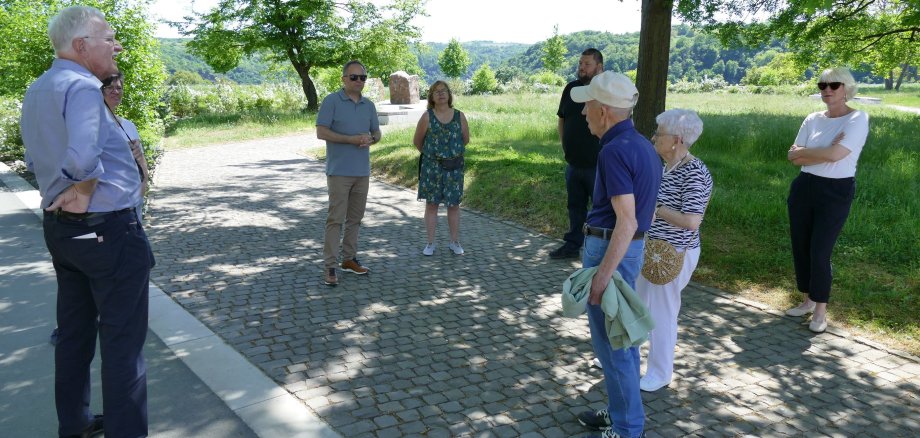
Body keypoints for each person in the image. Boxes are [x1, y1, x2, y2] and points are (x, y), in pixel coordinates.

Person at [20, 6, 154, 438]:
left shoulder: (39, 87)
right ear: (81, 46)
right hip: (107, 231)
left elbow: (35, 155)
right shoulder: (81, 86)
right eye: (109, 37)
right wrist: (76, 190)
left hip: (63, 233)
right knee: (123, 345)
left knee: (74, 334)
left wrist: (60, 194)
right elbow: (82, 159)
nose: (116, 45)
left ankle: (73, 424)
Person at [570, 72, 661, 438]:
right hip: (626, 250)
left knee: (614, 347)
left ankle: (627, 428)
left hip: (611, 249)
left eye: (587, 106)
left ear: (604, 112)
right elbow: (647, 217)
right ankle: (620, 413)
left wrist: (602, 276)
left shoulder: (613, 150)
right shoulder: (643, 147)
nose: (582, 114)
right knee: (618, 343)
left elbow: (628, 221)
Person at [784, 67, 869, 333]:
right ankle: (807, 300)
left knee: (820, 250)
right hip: (804, 186)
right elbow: (792, 157)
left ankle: (820, 309)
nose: (827, 90)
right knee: (801, 245)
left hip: (836, 190)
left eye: (834, 85)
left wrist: (807, 152)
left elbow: (835, 156)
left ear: (846, 89)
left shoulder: (857, 119)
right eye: (822, 85)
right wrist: (822, 151)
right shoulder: (812, 118)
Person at [636, 109, 713, 392]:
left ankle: (660, 372)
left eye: (659, 133)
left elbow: (692, 221)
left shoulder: (695, 172)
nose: (654, 137)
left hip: (673, 254)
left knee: (662, 313)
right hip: (650, 249)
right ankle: (625, 357)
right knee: (635, 303)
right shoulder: (664, 166)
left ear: (677, 139)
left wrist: (656, 210)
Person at [316, 60, 381, 286]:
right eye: (353, 77)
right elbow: (321, 132)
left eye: (362, 77)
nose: (358, 81)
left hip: (362, 172)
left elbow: (377, 132)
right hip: (339, 172)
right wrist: (350, 140)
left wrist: (371, 139)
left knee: (356, 219)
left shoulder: (369, 105)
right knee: (335, 220)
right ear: (344, 79)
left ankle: (349, 259)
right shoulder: (332, 101)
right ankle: (330, 266)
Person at [550, 48, 604, 259]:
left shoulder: (606, 91)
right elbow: (562, 118)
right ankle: (572, 246)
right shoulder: (571, 89)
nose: (581, 67)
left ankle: (599, 251)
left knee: (601, 210)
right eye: (580, 63)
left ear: (599, 67)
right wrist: (565, 145)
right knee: (575, 207)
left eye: (587, 64)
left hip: (598, 164)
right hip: (573, 163)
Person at [414, 80, 470, 256]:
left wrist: (450, 153)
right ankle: (430, 243)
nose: (440, 93)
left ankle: (454, 241)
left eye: (443, 90)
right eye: (436, 91)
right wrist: (433, 155)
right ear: (431, 96)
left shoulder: (459, 116)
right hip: (432, 169)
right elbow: (417, 141)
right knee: (432, 205)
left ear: (449, 94)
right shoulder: (427, 116)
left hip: (454, 168)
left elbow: (465, 139)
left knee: (453, 205)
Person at [102, 72, 150, 222]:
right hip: (110, 206)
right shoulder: (95, 126)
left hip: (134, 201)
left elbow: (140, 159)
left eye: (119, 88)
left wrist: (144, 183)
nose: (116, 91)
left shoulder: (129, 126)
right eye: (109, 87)